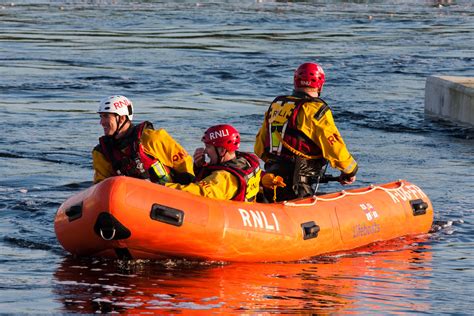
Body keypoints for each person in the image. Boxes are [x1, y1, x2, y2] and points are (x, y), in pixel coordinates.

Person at [254, 62, 358, 201]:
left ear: (295, 81)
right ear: (320, 84)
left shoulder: (277, 105)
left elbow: (259, 147)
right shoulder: (315, 109)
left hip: (272, 179)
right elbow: (333, 143)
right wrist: (349, 170)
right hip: (297, 186)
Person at [92, 95, 194, 185]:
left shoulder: (152, 138)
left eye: (106, 116)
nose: (101, 122)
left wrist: (187, 188)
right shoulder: (102, 152)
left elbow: (183, 163)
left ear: (122, 118)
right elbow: (101, 185)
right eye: (101, 116)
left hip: (168, 192)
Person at [166, 124, 261, 201]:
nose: (205, 151)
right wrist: (200, 167)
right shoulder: (248, 160)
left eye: (208, 147)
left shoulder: (224, 178)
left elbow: (199, 192)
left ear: (222, 151)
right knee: (184, 177)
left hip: (228, 216)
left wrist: (161, 187)